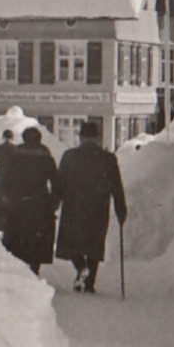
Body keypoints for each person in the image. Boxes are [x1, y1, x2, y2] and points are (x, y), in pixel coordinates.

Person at [55, 119, 128, 293]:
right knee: (94, 243)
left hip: (74, 205)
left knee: (72, 242)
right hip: (98, 206)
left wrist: (54, 203)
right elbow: (116, 185)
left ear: (81, 138)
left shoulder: (70, 156)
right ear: (97, 138)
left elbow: (60, 183)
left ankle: (81, 267)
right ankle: (89, 282)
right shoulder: (108, 158)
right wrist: (120, 208)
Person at [0, 127, 59, 274]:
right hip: (39, 202)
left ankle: (19, 266)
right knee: (37, 238)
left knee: (17, 235)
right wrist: (53, 202)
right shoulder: (46, 156)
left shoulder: (17, 156)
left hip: (19, 202)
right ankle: (35, 266)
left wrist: (6, 196)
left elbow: (7, 179)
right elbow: (56, 182)